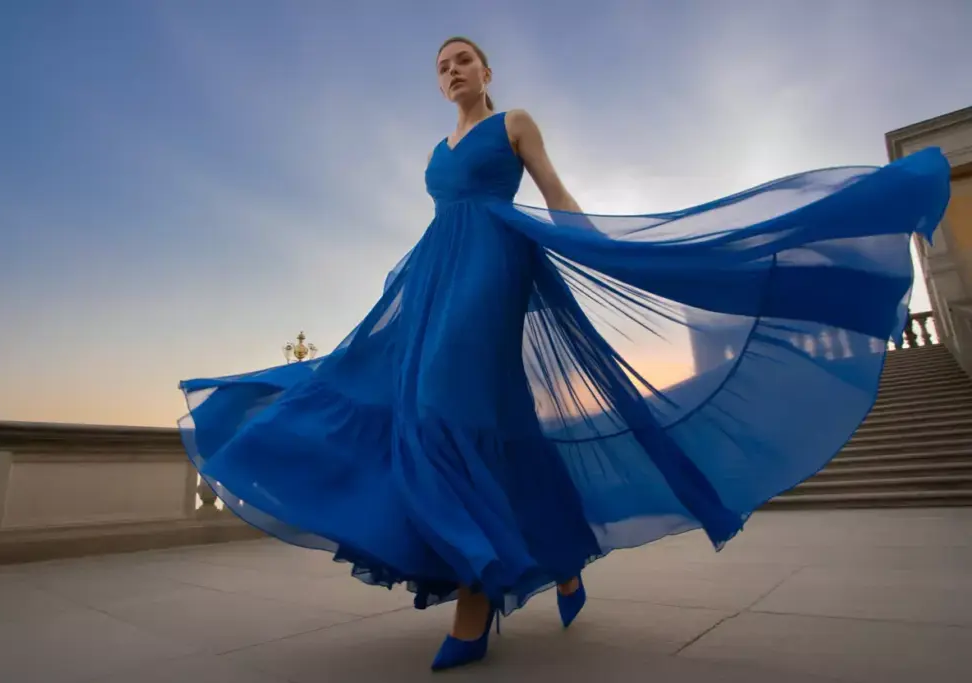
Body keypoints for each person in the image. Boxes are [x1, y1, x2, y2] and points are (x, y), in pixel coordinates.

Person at [178, 36, 950, 671]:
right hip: (433, 273)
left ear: (487, 72)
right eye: (441, 66)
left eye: (464, 60)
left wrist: (603, 249)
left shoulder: (513, 122)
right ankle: (559, 555)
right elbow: (441, 218)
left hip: (495, 263)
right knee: (457, 413)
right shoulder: (433, 151)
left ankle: (478, 601)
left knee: (445, 408)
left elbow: (551, 189)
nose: (452, 71)